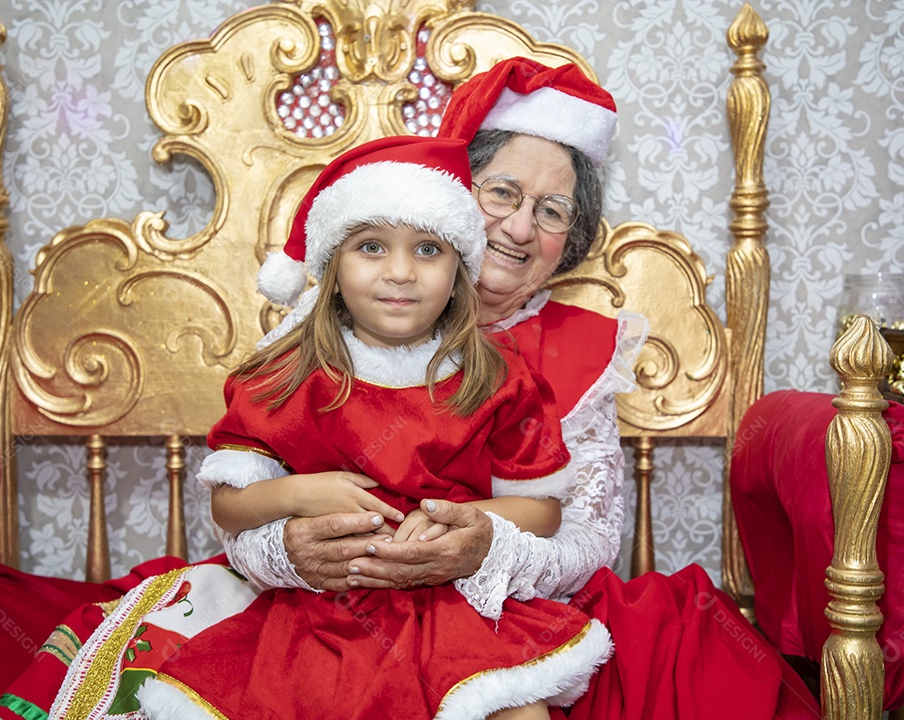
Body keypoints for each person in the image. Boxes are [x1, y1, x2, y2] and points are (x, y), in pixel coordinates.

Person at [44, 135, 613, 719]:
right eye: (371, 246)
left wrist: (467, 523)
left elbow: (542, 511)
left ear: (459, 269)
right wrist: (296, 494)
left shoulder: (496, 377)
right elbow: (229, 507)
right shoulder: (288, 375)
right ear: (331, 269)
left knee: (514, 703)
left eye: (427, 249)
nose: (399, 272)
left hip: (453, 604)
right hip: (317, 609)